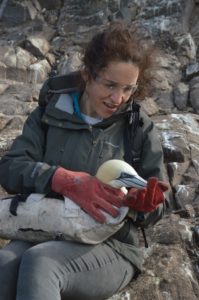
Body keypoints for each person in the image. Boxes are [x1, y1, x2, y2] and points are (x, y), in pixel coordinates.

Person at [0, 21, 169, 300]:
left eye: (129, 89)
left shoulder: (139, 128)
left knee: (41, 264)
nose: (118, 98)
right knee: (4, 265)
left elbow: (158, 199)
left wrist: (145, 204)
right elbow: (9, 169)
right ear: (88, 75)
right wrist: (65, 180)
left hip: (111, 244)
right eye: (110, 85)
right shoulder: (50, 113)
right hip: (47, 227)